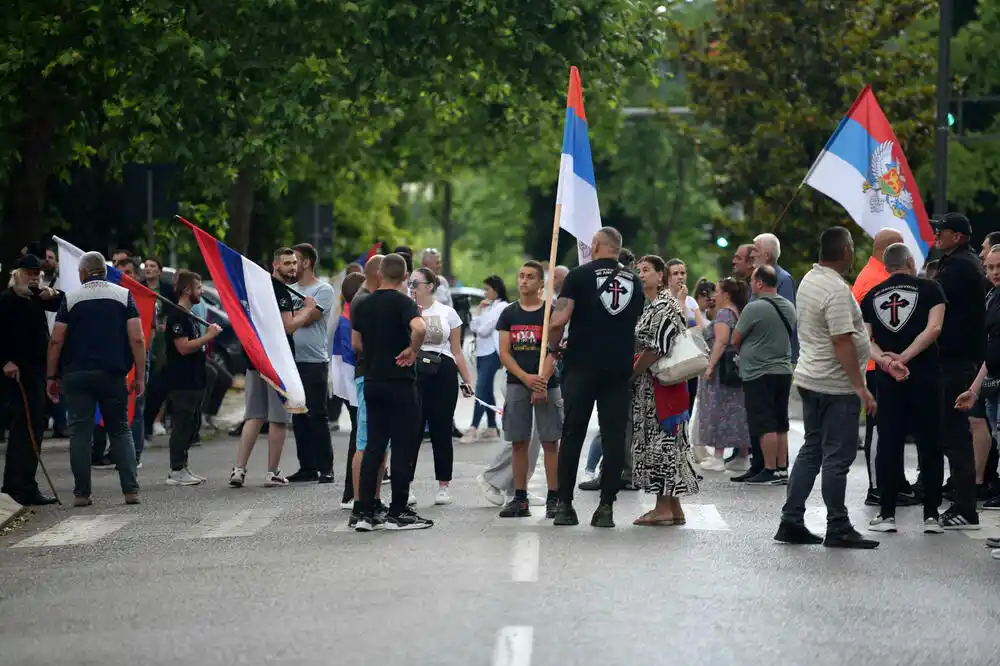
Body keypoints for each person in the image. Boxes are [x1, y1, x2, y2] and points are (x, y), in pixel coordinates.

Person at [774, 227, 878, 549]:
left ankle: (791, 520)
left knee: (812, 449)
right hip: (836, 386)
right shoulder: (834, 289)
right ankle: (838, 526)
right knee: (837, 457)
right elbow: (842, 340)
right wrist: (860, 387)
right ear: (846, 250)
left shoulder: (810, 279)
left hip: (811, 378)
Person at [548, 226, 644, 528]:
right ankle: (606, 507)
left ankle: (565, 505)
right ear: (618, 249)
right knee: (614, 436)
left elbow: (560, 319)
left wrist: (553, 346)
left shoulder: (578, 276)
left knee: (573, 433)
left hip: (581, 364)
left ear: (595, 245)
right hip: (618, 367)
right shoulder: (635, 282)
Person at [46, 251, 145, 506]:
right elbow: (137, 338)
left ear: (82, 273)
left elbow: (57, 340)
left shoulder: (71, 298)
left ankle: (81, 494)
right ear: (104, 270)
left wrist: (51, 376)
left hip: (76, 375)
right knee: (120, 428)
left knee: (80, 432)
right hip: (112, 374)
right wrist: (140, 376)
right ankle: (131, 490)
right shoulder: (123, 296)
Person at [861, 243, 946, 534]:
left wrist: (886, 362)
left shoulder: (872, 296)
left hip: (888, 381)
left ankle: (886, 513)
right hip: (925, 376)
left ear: (886, 266)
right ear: (910, 261)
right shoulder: (931, 290)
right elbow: (934, 329)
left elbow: (866, 340)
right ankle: (932, 514)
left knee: (889, 443)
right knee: (930, 443)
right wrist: (907, 357)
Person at [350, 253, 432, 531]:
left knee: (373, 445)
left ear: (379, 274)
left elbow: (356, 342)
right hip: (399, 381)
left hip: (372, 380)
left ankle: (364, 511)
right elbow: (419, 327)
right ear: (406, 276)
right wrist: (412, 350)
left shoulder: (363, 304)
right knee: (401, 447)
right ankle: (398, 511)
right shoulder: (405, 303)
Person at [629, 255, 700, 525]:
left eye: (646, 270)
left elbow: (655, 348)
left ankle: (662, 508)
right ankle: (674, 506)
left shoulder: (663, 305)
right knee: (669, 444)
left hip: (659, 385)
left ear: (661, 276)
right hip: (657, 385)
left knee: (661, 445)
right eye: (639, 270)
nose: (641, 274)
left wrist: (631, 374)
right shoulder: (653, 305)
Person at [229, 248, 301, 489]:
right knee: (278, 419)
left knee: (254, 415)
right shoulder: (279, 291)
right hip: (277, 362)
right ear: (275, 265)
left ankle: (239, 469)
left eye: (294, 263)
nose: (293, 267)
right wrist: (310, 311)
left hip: (255, 359)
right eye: (287, 263)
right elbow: (288, 326)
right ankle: (272, 473)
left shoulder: (257, 289)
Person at [495, 260, 562, 519]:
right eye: (521, 276)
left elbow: (554, 349)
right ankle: (519, 497)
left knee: (550, 441)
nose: (523, 281)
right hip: (517, 383)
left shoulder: (550, 312)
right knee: (518, 441)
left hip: (548, 383)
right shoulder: (509, 314)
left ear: (540, 283)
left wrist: (542, 380)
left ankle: (554, 497)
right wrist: (527, 379)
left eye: (530, 277)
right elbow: (504, 352)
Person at [931, 212, 985, 529]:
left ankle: (965, 507)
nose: (937, 235)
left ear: (959, 236)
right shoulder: (961, 262)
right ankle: (961, 502)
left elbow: (935, 301)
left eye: (943, 231)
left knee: (955, 434)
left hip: (955, 360)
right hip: (957, 359)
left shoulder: (960, 266)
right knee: (952, 433)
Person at [409, 267, 474, 504]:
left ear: (429, 286)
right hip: (414, 370)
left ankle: (443, 486)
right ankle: (406, 485)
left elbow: (456, 351)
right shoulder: (405, 308)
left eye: (415, 283)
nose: (412, 287)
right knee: (412, 429)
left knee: (441, 429)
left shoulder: (448, 313)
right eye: (410, 283)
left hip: (442, 370)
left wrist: (467, 380)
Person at [0, 254, 61, 505]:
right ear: (17, 274)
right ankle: (20, 485)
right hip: (15, 371)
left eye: (37, 274)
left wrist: (52, 294)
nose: (34, 277)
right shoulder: (6, 300)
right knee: (24, 427)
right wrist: (5, 360)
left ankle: (22, 483)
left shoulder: (37, 299)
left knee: (33, 426)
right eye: (29, 273)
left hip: (36, 370)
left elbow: (62, 303)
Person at [850, 228, 905, 505]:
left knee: (888, 425)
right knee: (878, 426)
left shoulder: (877, 275)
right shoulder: (873, 279)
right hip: (875, 363)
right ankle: (876, 487)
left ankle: (892, 481)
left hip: (882, 361)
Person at [730, 265, 795, 485]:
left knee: (765, 422)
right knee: (780, 422)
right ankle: (781, 468)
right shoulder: (788, 306)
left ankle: (768, 469)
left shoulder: (754, 308)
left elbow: (735, 339)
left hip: (759, 372)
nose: (750, 285)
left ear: (759, 283)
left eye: (752, 281)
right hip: (783, 370)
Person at [164, 270, 223, 486]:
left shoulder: (189, 314)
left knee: (191, 424)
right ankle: (176, 469)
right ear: (187, 290)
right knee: (182, 424)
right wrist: (208, 337)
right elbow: (183, 347)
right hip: (182, 380)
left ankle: (184, 465)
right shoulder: (177, 316)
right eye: (198, 288)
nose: (201, 292)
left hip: (195, 378)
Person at [287, 243, 336, 483]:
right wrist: (301, 312)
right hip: (292, 359)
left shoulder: (323, 289)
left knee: (317, 414)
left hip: (314, 360)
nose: (292, 266)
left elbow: (311, 317)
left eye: (295, 261)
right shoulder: (289, 290)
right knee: (298, 414)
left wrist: (297, 315)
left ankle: (326, 466)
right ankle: (306, 466)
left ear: (306, 262)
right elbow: (286, 320)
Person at [697, 277, 751, 473]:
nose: (714, 295)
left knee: (718, 411)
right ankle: (742, 456)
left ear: (726, 295)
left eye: (717, 291)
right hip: (734, 369)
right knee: (735, 412)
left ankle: (718, 456)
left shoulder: (723, 315)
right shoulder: (737, 312)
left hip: (721, 371)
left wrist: (710, 366)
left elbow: (720, 342)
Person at [461, 275, 510, 443]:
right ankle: (491, 427)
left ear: (496, 290)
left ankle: (473, 427)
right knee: (487, 390)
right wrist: (478, 311)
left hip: (493, 352)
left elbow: (484, 330)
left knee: (481, 387)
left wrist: (479, 321)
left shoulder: (502, 306)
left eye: (487, 289)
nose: (484, 293)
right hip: (481, 352)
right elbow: (474, 327)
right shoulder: (488, 307)